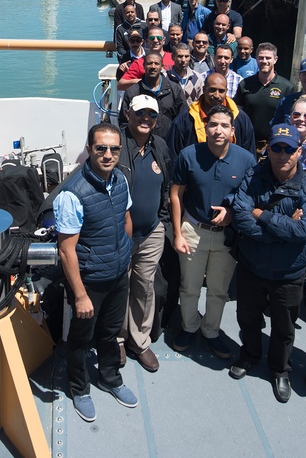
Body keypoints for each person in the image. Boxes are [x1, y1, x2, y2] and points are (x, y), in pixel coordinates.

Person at [227, 124, 306, 402]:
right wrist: (279, 233)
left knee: (284, 326)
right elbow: (242, 216)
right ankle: (249, 355)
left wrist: (264, 216)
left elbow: (304, 230)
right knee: (247, 317)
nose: (283, 154)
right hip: (252, 265)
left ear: (299, 151)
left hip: (289, 272)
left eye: (289, 149)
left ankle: (280, 369)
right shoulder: (253, 176)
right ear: (268, 149)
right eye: (277, 148)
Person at [55, 124, 137, 422]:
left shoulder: (120, 180)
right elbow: (67, 250)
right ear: (89, 149)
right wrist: (80, 295)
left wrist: (126, 256)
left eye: (114, 149)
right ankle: (79, 388)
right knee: (80, 339)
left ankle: (110, 377)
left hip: (117, 275)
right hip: (89, 282)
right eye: (101, 148)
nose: (108, 155)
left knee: (110, 332)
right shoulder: (72, 194)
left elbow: (125, 219)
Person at [169, 105, 256, 358]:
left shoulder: (246, 160)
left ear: (232, 131)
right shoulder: (188, 155)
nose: (218, 130)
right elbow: (176, 194)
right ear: (205, 127)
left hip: (226, 236)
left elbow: (249, 196)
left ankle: (211, 330)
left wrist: (231, 213)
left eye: (224, 126)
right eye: (213, 125)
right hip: (193, 230)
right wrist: (177, 232)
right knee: (189, 286)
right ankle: (189, 326)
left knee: (219, 289)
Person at [117, 95, 172, 373]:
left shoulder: (160, 146)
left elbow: (167, 187)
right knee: (118, 288)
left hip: (151, 232)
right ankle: (116, 339)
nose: (146, 120)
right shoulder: (115, 145)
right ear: (129, 115)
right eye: (140, 114)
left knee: (144, 287)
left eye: (151, 115)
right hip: (119, 235)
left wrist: (161, 222)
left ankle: (139, 341)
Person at [167, 72, 256, 158]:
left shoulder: (240, 118)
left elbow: (249, 155)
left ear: (226, 91)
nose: (217, 95)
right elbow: (174, 156)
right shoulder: (186, 118)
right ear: (204, 89)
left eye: (221, 91)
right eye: (212, 90)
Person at [237, 42, 297, 147]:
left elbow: (290, 120)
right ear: (256, 59)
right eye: (261, 58)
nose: (264, 61)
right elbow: (238, 114)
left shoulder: (287, 87)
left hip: (275, 143)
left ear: (275, 59)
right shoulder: (245, 84)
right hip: (249, 142)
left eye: (268, 58)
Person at [117, 52, 185, 138]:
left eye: (156, 63)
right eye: (149, 63)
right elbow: (123, 122)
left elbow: (183, 118)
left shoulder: (175, 89)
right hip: (140, 143)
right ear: (144, 66)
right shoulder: (132, 92)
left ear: (162, 66)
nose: (153, 67)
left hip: (168, 143)